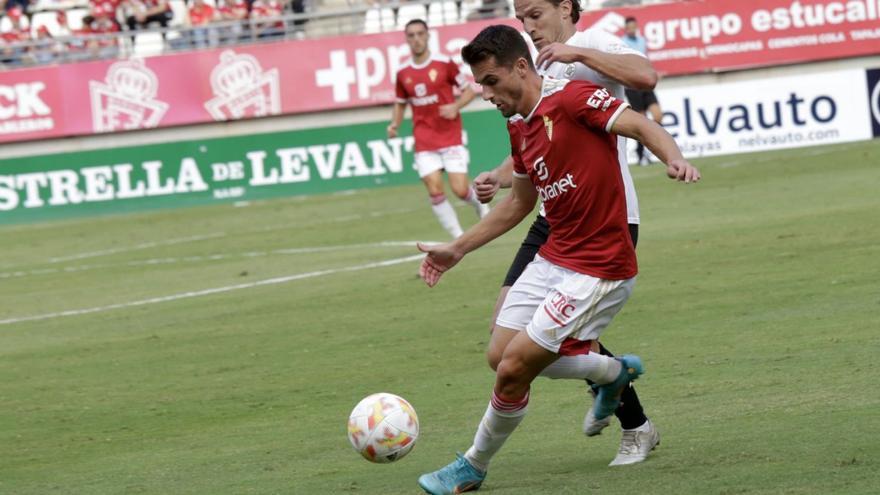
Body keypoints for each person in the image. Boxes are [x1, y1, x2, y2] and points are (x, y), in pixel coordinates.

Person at [416, 24, 699, 495]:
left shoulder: (573, 98)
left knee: (513, 370)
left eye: (490, 82)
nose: (485, 94)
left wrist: (674, 158)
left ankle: (472, 466)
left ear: (521, 68)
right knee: (499, 355)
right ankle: (612, 371)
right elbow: (518, 205)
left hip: (601, 267)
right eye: (480, 85)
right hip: (555, 255)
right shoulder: (517, 125)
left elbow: (642, 124)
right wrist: (457, 249)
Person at [473, 0, 689, 467]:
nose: (529, 27)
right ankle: (617, 387)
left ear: (566, 8)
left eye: (535, 14)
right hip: (551, 214)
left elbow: (645, 77)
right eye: (521, 19)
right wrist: (501, 174)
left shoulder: (587, 45)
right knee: (506, 339)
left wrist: (579, 56)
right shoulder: (528, 69)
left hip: (601, 211)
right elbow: (541, 140)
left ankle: (636, 426)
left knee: (550, 338)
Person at [388, 19, 490, 239]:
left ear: (427, 36)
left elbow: (470, 91)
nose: (416, 39)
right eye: (411, 35)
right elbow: (400, 102)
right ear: (407, 39)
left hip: (450, 135)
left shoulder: (444, 63)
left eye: (419, 34)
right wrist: (395, 123)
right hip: (424, 139)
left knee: (460, 190)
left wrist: (455, 106)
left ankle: (480, 206)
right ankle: (458, 236)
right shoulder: (402, 72)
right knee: (434, 190)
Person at [621, 16, 662, 165]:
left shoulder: (642, 41)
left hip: (645, 84)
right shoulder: (621, 42)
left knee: (657, 116)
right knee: (642, 120)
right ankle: (641, 155)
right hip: (632, 86)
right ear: (626, 29)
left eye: (634, 27)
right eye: (629, 27)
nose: (632, 29)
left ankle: (652, 146)